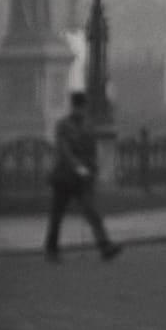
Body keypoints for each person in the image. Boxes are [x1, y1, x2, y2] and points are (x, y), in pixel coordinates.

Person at [44, 91, 121, 263]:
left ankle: (104, 245)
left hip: (83, 178)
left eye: (83, 107)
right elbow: (64, 150)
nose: (81, 111)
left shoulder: (88, 125)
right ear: (74, 107)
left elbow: (92, 149)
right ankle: (51, 249)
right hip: (64, 176)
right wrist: (78, 166)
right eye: (79, 107)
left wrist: (92, 168)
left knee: (92, 212)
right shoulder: (63, 125)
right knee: (57, 215)